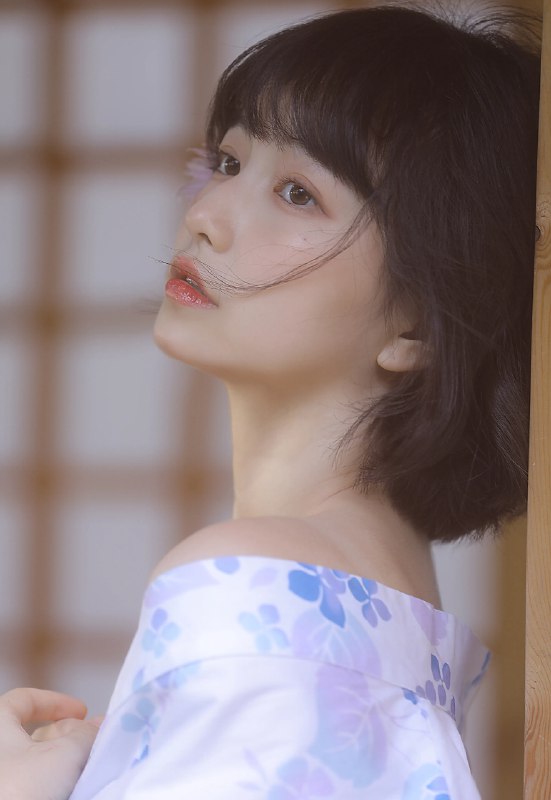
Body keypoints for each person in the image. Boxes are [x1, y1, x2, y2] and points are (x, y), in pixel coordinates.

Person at [1, 4, 540, 798]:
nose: (204, 217)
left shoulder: (251, 579)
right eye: (226, 163)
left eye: (296, 193)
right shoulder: (395, 609)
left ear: (418, 322)